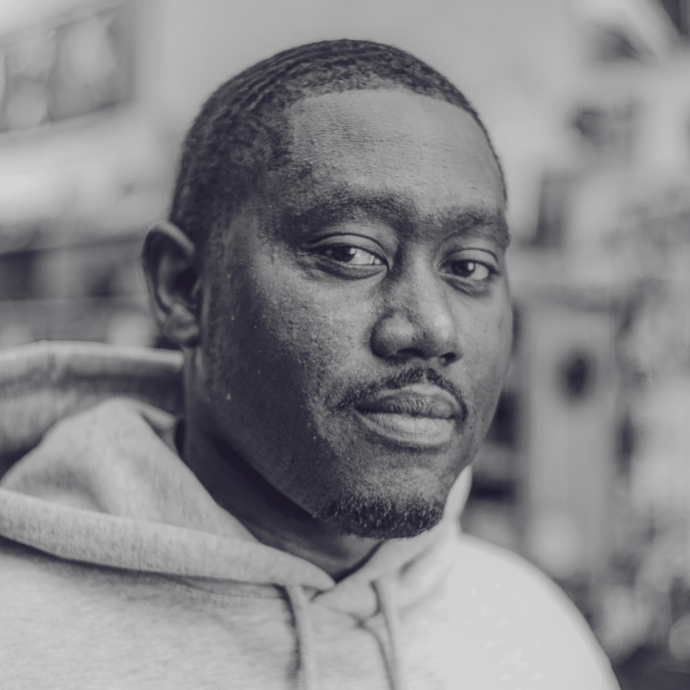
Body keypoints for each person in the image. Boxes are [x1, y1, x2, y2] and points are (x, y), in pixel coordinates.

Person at [0, 40, 619, 689]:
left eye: (469, 267)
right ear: (184, 288)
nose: (434, 329)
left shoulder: (537, 633)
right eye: (350, 253)